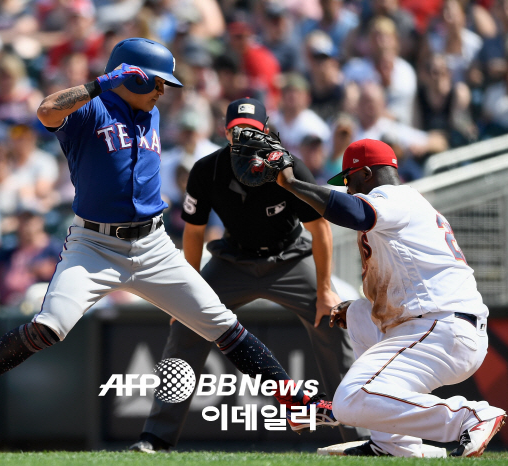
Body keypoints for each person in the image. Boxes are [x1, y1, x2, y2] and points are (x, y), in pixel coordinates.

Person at [0, 38, 336, 433]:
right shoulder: (90, 108)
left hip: (153, 244)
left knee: (223, 325)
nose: (163, 90)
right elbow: (45, 111)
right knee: (51, 325)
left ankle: (297, 402)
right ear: (132, 76)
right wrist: (102, 82)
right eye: (157, 82)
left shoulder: (151, 112)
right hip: (94, 245)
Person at [129, 97, 367, 453]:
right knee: (186, 326)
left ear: (267, 131)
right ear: (226, 133)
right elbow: (193, 232)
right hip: (233, 260)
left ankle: (361, 437)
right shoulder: (207, 170)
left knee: (330, 324)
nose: (244, 139)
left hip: (289, 258)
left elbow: (320, 229)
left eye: (252, 131)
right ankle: (156, 438)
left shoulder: (289, 168)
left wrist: (323, 290)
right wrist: (185, 296)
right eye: (237, 132)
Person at [275, 138, 507, 457]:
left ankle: (467, 417)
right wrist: (359, 310)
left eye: (349, 180)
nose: (348, 189)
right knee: (358, 314)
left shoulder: (394, 197)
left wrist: (291, 184)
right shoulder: (404, 206)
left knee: (350, 398)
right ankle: (391, 443)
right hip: (439, 327)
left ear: (367, 173)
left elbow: (355, 212)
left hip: (440, 328)